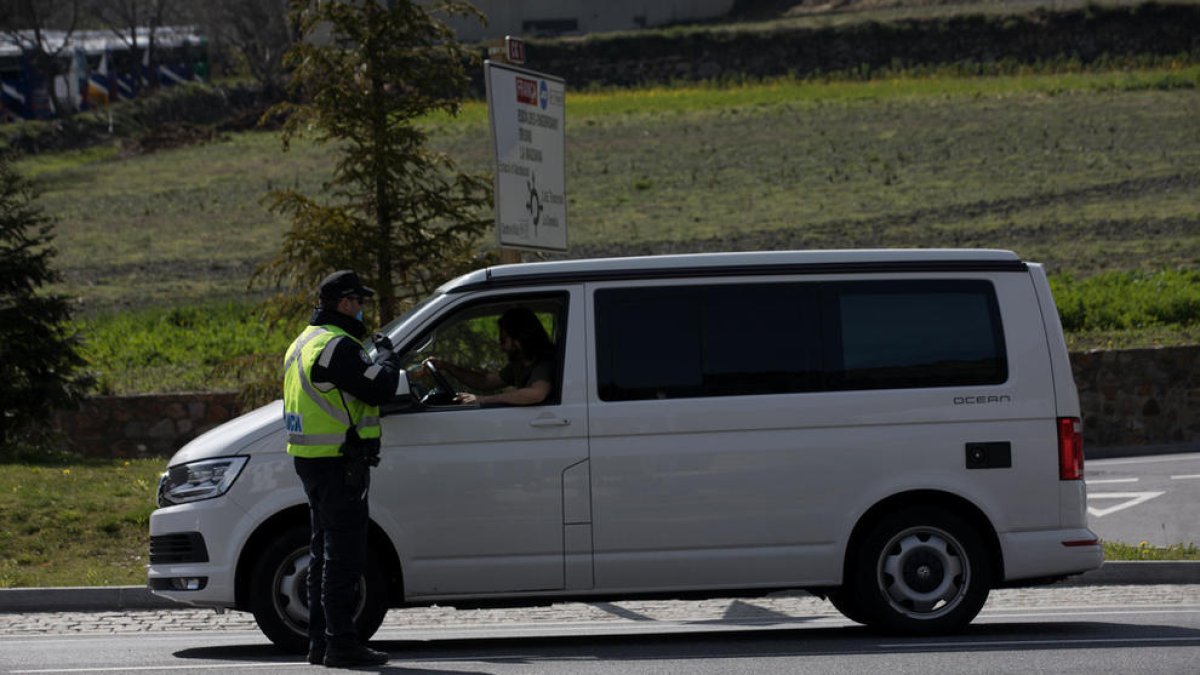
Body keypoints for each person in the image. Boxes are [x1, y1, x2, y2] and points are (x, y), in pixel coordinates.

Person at [282, 270, 402, 668]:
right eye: (360, 301)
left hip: (313, 462)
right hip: (339, 463)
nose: (363, 308)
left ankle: (320, 642)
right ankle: (342, 644)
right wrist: (388, 354)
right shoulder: (337, 346)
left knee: (322, 553)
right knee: (344, 558)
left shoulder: (303, 342)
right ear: (345, 303)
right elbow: (381, 387)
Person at [432, 307, 555, 406]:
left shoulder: (544, 362)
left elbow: (537, 394)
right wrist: (446, 366)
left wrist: (484, 400)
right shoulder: (520, 364)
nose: (501, 348)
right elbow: (486, 382)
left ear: (519, 339)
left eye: (503, 340)